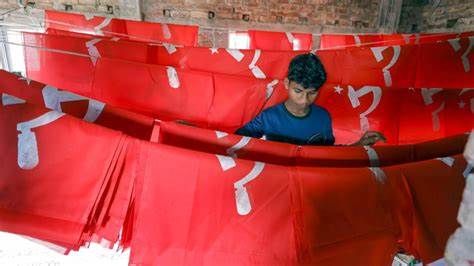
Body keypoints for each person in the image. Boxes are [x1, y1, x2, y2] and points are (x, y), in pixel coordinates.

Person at [235, 53, 385, 146]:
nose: (304, 100)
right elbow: (234, 143)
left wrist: (358, 145)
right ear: (287, 83)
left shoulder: (323, 117)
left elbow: (328, 155)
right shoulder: (267, 117)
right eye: (298, 91)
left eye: (312, 93)